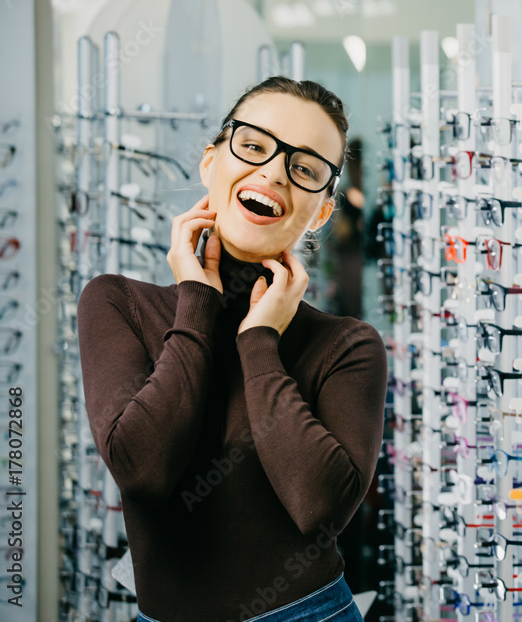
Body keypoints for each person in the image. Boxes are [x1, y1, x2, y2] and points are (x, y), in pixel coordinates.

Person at [77, 76, 388, 622]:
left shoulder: (348, 346)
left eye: (305, 168)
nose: (272, 172)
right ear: (210, 161)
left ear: (320, 210)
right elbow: (143, 471)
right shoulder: (117, 304)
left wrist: (260, 341)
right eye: (253, 146)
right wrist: (197, 300)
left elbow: (319, 508)